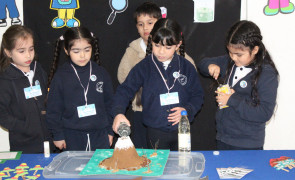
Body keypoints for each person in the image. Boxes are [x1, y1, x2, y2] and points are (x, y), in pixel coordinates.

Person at [113, 18, 204, 151]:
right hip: (155, 131)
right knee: (157, 167)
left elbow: (198, 95)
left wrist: (188, 110)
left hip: (182, 131)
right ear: (151, 39)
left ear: (178, 45)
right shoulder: (144, 66)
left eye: (168, 47)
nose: (161, 52)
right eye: (157, 45)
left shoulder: (186, 66)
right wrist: (118, 113)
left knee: (182, 165)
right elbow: (124, 90)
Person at [198, 20, 279, 150]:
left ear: (255, 50)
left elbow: (264, 113)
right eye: (230, 53)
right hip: (223, 138)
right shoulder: (229, 61)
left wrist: (232, 99)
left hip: (248, 144)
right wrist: (210, 66)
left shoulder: (266, 74)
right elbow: (202, 64)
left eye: (239, 54)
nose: (234, 58)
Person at [46, 27, 114, 151]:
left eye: (87, 50)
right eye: (76, 51)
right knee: (74, 170)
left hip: (100, 135)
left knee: (100, 169)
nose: (82, 55)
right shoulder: (61, 76)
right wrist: (58, 135)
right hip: (71, 136)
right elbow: (53, 109)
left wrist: (110, 131)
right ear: (66, 50)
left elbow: (110, 104)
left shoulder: (101, 73)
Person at [0, 25, 52, 153]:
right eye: (21, 51)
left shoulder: (38, 69)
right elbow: (2, 115)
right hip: (24, 144)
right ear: (8, 52)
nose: (28, 55)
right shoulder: (5, 79)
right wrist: (26, 126)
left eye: (31, 49)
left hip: (49, 140)